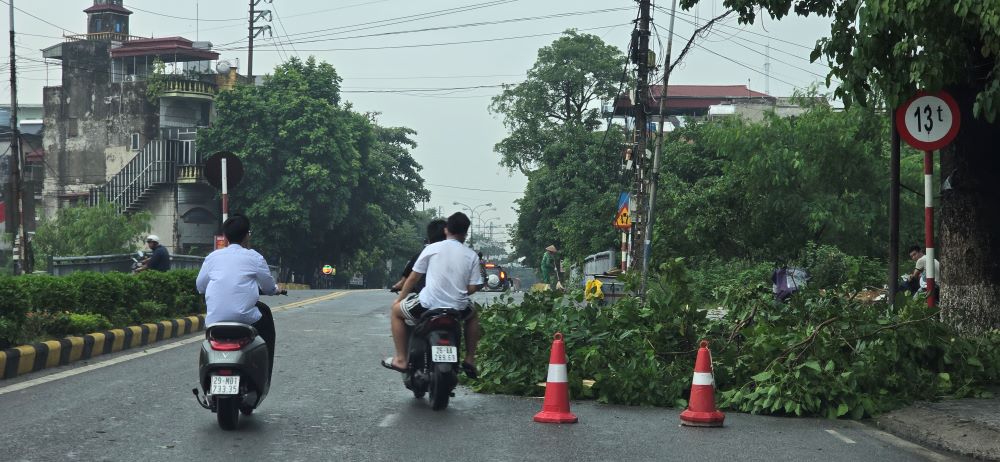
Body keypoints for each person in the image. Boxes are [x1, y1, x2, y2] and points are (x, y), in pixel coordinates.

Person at [382, 212, 484, 378]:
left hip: (427, 305)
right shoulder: (471, 255)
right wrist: (458, 292)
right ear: (465, 233)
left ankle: (401, 359)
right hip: (458, 308)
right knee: (472, 316)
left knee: (395, 312)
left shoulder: (431, 248)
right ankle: (470, 359)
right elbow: (474, 286)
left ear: (446, 230)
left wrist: (399, 300)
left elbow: (413, 278)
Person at [196, 214, 282, 381]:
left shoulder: (212, 257)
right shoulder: (254, 257)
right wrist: (276, 290)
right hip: (246, 319)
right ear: (247, 235)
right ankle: (265, 375)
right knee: (265, 313)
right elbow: (269, 287)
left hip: (214, 321)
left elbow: (200, 286)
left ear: (226, 236)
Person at [391, 219, 447, 293]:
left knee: (396, 305)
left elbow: (408, 280)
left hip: (426, 300)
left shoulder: (420, 256)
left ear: (429, 239)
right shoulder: (458, 256)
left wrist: (398, 290)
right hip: (455, 301)